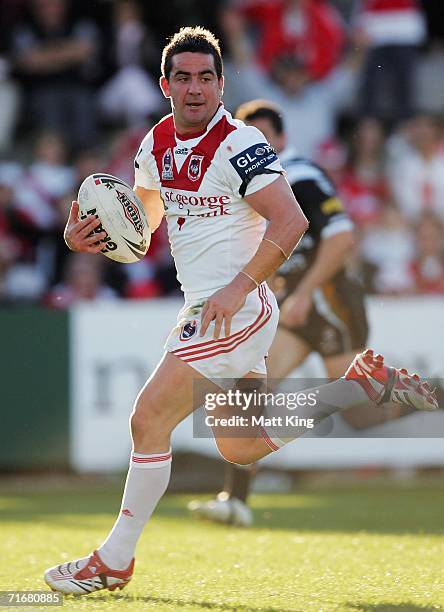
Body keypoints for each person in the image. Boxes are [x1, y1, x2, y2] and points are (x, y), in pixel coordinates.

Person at [43, 27, 437, 596]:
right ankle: (355, 388)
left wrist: (237, 288)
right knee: (241, 446)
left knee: (147, 418)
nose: (196, 88)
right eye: (184, 77)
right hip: (221, 308)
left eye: (207, 77)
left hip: (235, 308)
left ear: (222, 84)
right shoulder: (154, 145)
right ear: (165, 85)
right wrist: (93, 238)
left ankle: (113, 560)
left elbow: (293, 221)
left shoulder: (240, 143)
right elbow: (146, 223)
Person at [187, 101, 405, 527]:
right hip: (295, 309)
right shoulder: (246, 186)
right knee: (251, 393)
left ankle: (429, 396)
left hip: (330, 303)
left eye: (264, 137)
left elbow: (341, 238)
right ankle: (236, 500)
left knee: (362, 414)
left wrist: (304, 293)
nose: (256, 146)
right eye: (248, 138)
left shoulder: (298, 173)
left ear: (282, 140)